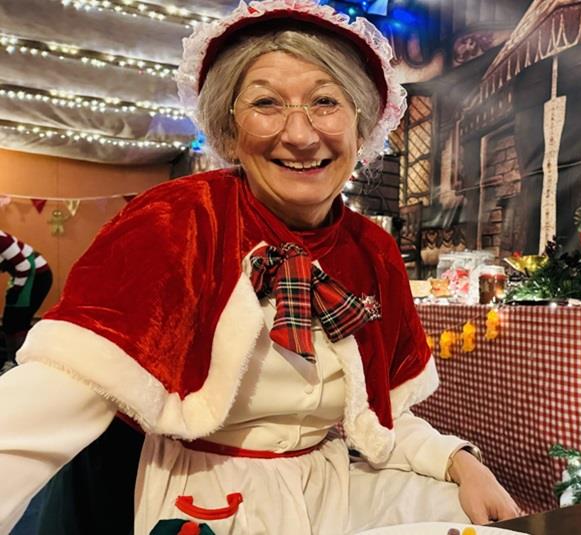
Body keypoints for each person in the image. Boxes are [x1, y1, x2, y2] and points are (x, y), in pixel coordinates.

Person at [0, 1, 521, 533]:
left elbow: (383, 415)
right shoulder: (177, 221)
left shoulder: (372, 250)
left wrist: (461, 461)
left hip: (330, 489)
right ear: (230, 125)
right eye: (266, 103)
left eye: (325, 101)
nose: (299, 135)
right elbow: (53, 393)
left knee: (469, 518)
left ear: (361, 123)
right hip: (206, 498)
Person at [0, 229, 52, 372]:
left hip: (37, 277)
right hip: (21, 277)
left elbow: (24, 267)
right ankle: (12, 360)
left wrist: (16, 290)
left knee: (17, 321)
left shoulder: (1, 240)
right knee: (9, 322)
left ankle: (18, 363)